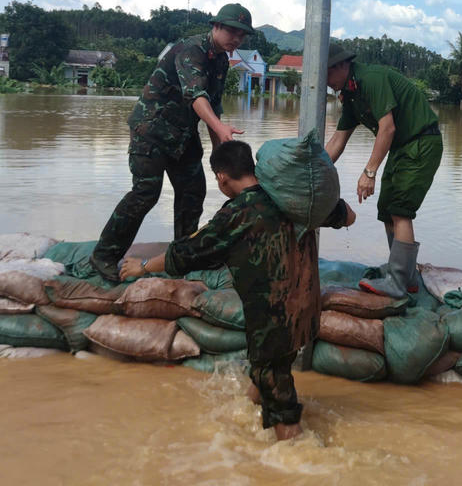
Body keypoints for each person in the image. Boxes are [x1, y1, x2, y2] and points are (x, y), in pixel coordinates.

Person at [121, 140, 357, 440]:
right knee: (268, 372)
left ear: (221, 178)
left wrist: (141, 267)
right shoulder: (293, 198)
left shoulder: (236, 214)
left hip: (272, 320)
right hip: (306, 310)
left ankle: (298, 458)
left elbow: (185, 253)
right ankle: (243, 419)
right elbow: (348, 216)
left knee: (280, 403)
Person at [88, 3, 256, 283]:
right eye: (231, 31)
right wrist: (217, 126)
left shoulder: (221, 61)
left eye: (242, 34)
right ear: (215, 26)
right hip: (151, 130)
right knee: (146, 193)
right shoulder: (191, 50)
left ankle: (183, 256)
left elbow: (213, 106)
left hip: (183, 135)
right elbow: (196, 96)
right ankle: (103, 255)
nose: (236, 39)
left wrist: (219, 151)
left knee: (193, 192)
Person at [323, 43, 442, 297]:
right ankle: (406, 276)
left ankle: (397, 284)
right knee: (387, 211)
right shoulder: (351, 96)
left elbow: (387, 128)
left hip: (421, 142)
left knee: (400, 211)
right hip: (402, 148)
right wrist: (313, 170)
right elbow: (337, 141)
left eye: (327, 73)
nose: (325, 81)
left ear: (343, 66)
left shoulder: (370, 80)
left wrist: (369, 172)